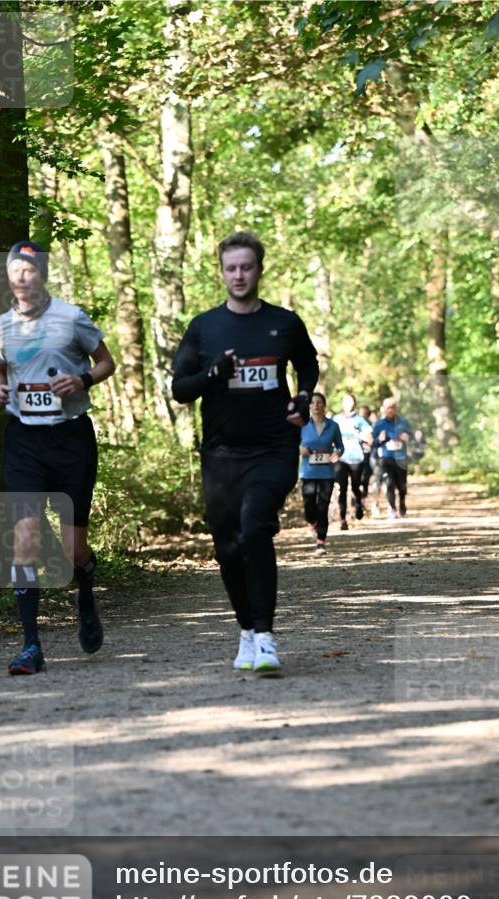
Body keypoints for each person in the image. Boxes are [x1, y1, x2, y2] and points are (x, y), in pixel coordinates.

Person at [172, 231, 318, 672]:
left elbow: (307, 363)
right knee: (228, 547)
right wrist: (213, 373)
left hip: (273, 447)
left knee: (255, 527)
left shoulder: (285, 323)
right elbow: (181, 390)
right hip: (221, 455)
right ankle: (247, 633)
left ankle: (267, 637)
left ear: (259, 269)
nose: (239, 275)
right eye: (231, 268)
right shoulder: (204, 327)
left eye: (246, 266)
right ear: (221, 272)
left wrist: (304, 397)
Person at [0, 241, 116, 675]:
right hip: (24, 441)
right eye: (15, 270)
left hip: (71, 440)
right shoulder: (2, 325)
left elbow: (106, 362)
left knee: (72, 549)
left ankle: (85, 586)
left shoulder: (71, 317)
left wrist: (82, 380)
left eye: (29, 270)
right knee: (25, 539)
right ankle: (30, 645)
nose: (22, 277)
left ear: (41, 274)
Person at [299, 392, 343, 555]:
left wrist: (337, 453)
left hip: (326, 473)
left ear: (324, 406)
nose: (316, 405)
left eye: (319, 402)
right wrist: (300, 449)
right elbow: (293, 444)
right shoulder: (303, 425)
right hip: (308, 472)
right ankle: (313, 522)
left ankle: (321, 542)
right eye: (313, 403)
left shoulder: (333, 426)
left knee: (322, 506)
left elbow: (340, 446)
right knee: (309, 509)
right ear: (309, 406)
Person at [371, 397, 413, 519]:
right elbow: (373, 443)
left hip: (401, 457)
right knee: (389, 483)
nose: (390, 410)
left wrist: (407, 437)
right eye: (388, 408)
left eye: (393, 407)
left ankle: (402, 502)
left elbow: (412, 436)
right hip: (386, 458)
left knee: (402, 485)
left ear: (396, 408)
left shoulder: (403, 422)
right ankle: (393, 509)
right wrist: (380, 439)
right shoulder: (379, 424)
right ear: (384, 409)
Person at [333, 392, 370, 529]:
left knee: (355, 486)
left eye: (350, 401)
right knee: (342, 488)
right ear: (342, 404)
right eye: (345, 401)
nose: (348, 404)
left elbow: (369, 438)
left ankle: (359, 505)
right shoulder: (336, 419)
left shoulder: (360, 420)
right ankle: (343, 519)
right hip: (341, 458)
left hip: (356, 458)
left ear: (354, 403)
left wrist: (358, 434)